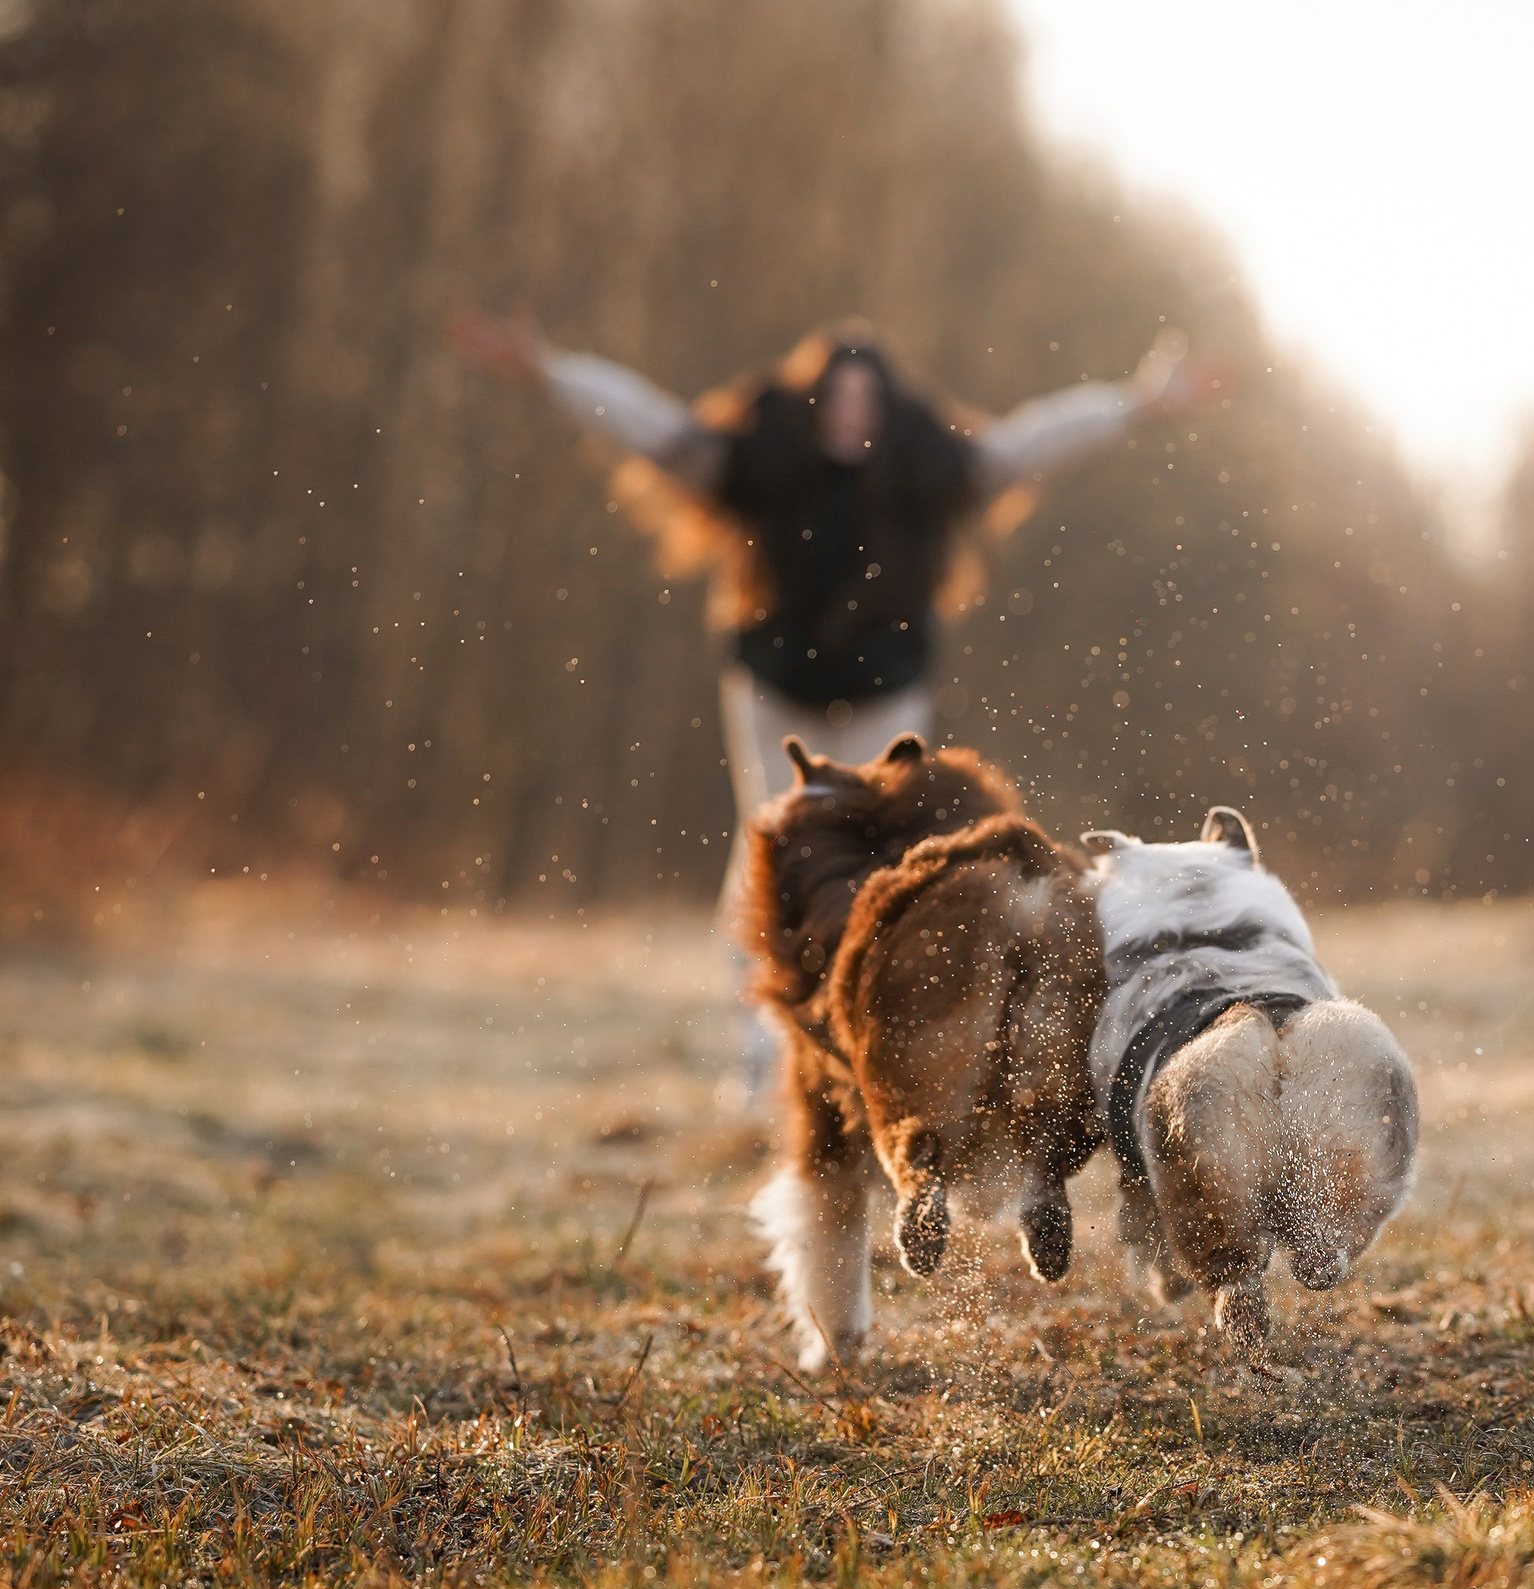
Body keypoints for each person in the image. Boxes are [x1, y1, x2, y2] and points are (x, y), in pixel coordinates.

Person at [450, 312, 1224, 1086]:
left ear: (885, 413)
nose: (851, 416)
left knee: (883, 866)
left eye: (866, 403)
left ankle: (872, 1054)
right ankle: (765, 1057)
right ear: (816, 403)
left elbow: (1030, 442)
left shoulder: (926, 466)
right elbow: (650, 426)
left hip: (886, 696)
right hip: (774, 692)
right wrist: (551, 371)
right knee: (773, 854)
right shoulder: (762, 457)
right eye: (839, 400)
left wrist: (1137, 403)